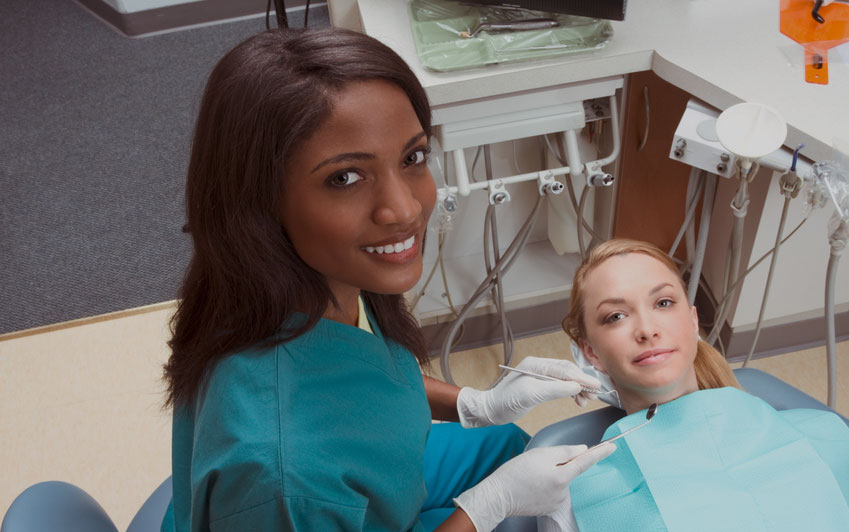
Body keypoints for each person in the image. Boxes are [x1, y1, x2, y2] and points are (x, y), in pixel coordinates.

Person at [160, 27, 614, 532]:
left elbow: (355, 379)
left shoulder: (312, 281)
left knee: (507, 445)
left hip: (362, 463)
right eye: (345, 178)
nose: (404, 209)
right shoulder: (286, 481)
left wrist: (474, 404)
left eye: (413, 157)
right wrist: (485, 507)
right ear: (258, 200)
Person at [538, 238, 849, 531]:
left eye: (663, 302)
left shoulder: (827, 435)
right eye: (616, 316)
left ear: (692, 320)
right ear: (591, 352)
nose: (647, 330)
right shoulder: (573, 499)